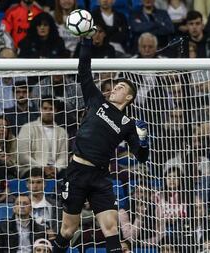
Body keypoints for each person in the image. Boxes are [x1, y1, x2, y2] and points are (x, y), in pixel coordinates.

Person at [51, 29, 149, 253]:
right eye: (114, 86)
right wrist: (86, 40)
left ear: (129, 98)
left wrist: (143, 141)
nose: (114, 88)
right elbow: (83, 69)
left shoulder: (128, 123)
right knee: (68, 229)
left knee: (111, 228)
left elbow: (141, 157)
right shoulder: (96, 100)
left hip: (100, 176)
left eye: (120, 88)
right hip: (77, 170)